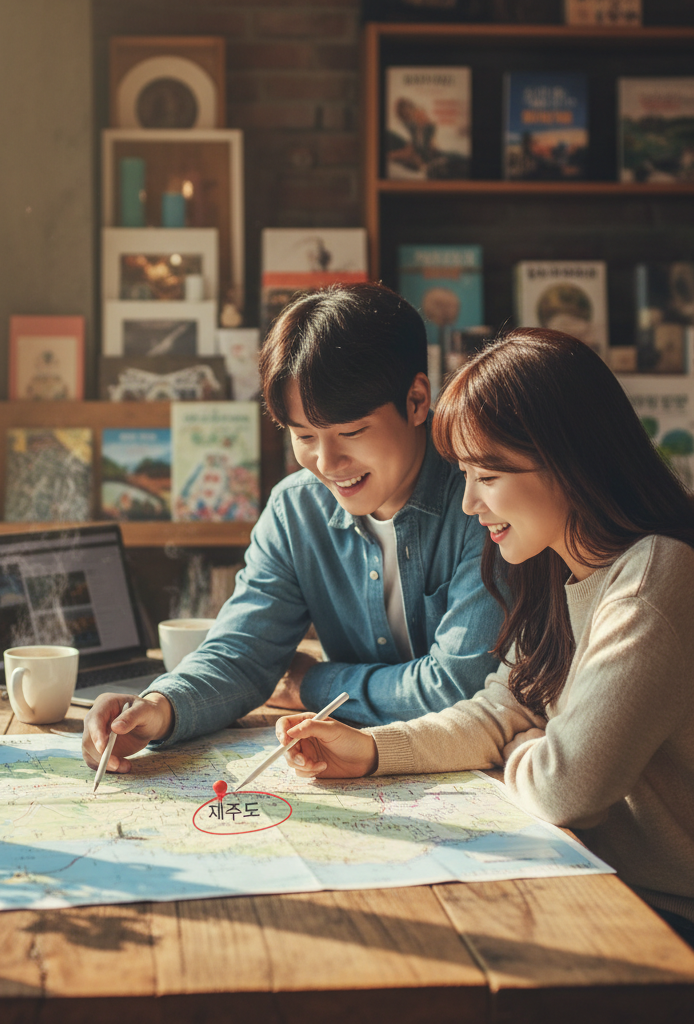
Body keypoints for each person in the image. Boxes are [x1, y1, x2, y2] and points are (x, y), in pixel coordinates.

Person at [276, 328, 694, 1023]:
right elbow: (499, 709)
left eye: (487, 476)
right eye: (462, 476)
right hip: (631, 893)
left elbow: (564, 787)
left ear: (569, 464)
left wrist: (521, 747)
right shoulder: (558, 569)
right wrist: (369, 751)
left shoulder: (654, 580)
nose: (467, 504)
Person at [82, 282, 501, 772]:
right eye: (303, 436)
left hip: (481, 774)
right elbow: (242, 651)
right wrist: (158, 707)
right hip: (351, 775)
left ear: (415, 400)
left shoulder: (484, 501)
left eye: (350, 432)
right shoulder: (295, 509)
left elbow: (458, 687)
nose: (327, 463)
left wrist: (308, 683)